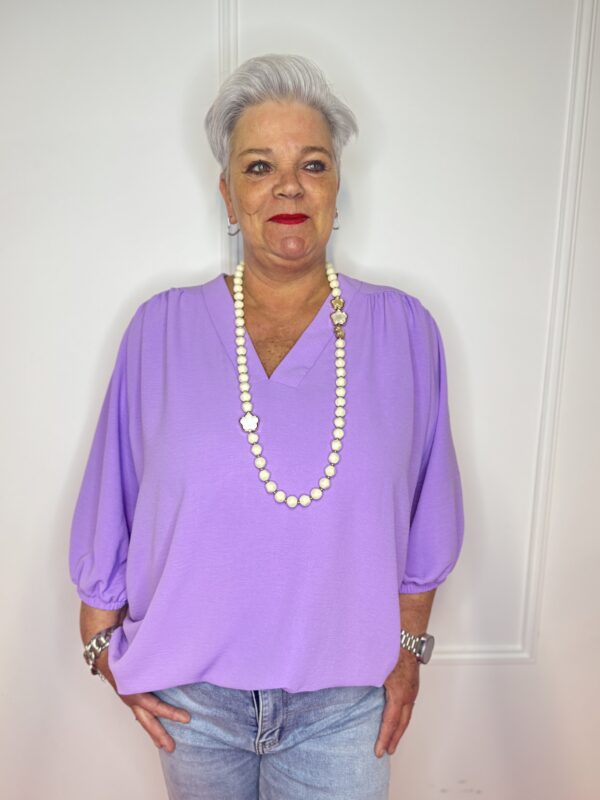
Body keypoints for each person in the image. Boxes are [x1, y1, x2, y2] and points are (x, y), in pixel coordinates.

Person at [69, 53, 465, 800]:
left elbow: (428, 509)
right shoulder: (159, 330)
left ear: (337, 187)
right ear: (228, 193)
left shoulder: (405, 331)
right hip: (193, 705)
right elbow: (112, 491)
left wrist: (410, 648)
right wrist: (100, 643)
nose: (288, 185)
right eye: (259, 166)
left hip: (346, 707)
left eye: (312, 164)